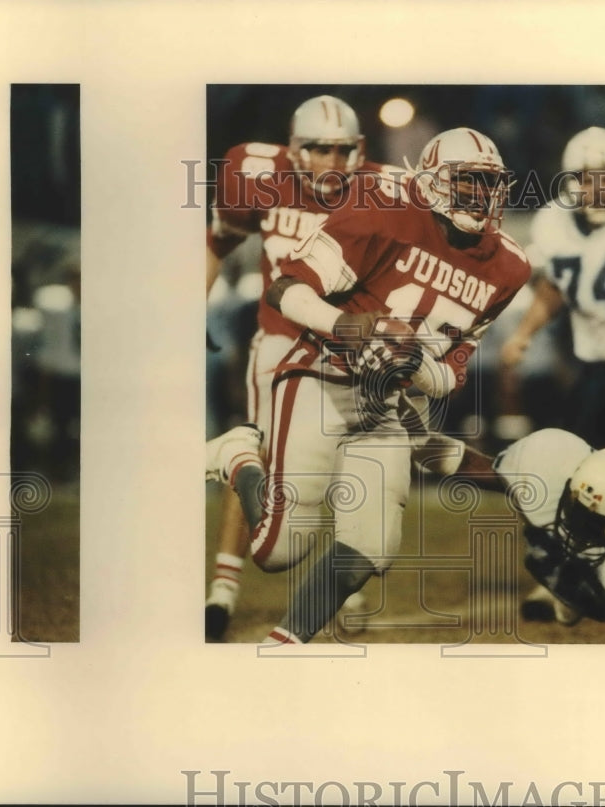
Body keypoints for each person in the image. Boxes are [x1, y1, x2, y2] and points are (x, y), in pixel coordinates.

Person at [207, 127, 531, 644]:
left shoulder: (509, 267)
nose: (480, 194)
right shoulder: (382, 211)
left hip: (385, 402)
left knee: (372, 545)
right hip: (319, 377)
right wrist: (350, 329)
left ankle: (282, 645)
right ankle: (240, 457)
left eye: (488, 183)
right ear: (432, 182)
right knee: (276, 551)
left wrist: (411, 363)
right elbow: (285, 289)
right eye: (466, 181)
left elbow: (449, 375)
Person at [204, 95, 379, 640]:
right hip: (280, 340)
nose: (330, 161)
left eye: (341, 149)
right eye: (318, 149)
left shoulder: (386, 190)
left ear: (361, 150)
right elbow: (220, 238)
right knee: (260, 456)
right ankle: (223, 589)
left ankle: (341, 584)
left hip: (347, 349)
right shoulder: (254, 172)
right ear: (292, 147)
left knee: (351, 465)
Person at [500, 126, 605, 463]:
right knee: (580, 471)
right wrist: (524, 333)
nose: (597, 189)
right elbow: (556, 284)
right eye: (586, 178)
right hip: (595, 368)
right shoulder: (554, 222)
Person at [440, 428, 605, 644]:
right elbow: (480, 469)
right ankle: (571, 594)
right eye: (575, 509)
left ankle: (579, 598)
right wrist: (420, 443)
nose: (576, 528)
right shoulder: (553, 468)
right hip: (585, 562)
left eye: (594, 524)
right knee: (543, 554)